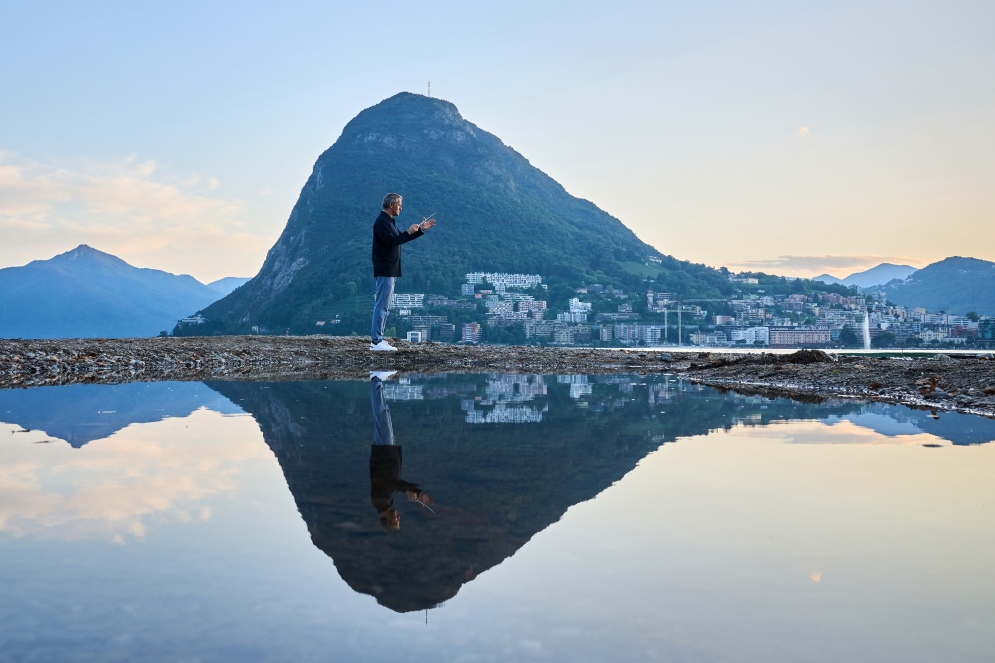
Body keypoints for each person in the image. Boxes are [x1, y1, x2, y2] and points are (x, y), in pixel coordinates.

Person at [370, 193, 436, 351]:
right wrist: (408, 231)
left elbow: (399, 238)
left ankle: (378, 340)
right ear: (391, 204)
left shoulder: (388, 222)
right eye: (399, 204)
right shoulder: (382, 222)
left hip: (389, 268)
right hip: (385, 268)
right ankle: (376, 341)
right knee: (381, 306)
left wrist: (420, 230)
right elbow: (392, 242)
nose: (401, 207)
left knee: (384, 306)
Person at [370, 372, 434, 531]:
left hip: (384, 452)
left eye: (396, 520)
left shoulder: (379, 501)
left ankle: (375, 380)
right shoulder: (386, 501)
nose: (398, 516)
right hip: (387, 451)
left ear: (388, 520)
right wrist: (418, 494)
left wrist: (407, 491)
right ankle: (377, 381)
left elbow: (392, 482)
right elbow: (397, 484)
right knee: (384, 413)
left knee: (381, 414)